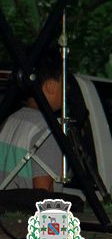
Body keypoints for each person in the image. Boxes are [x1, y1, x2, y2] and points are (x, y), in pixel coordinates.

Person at [0, 55, 64, 192]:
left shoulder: (10, 120)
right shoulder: (47, 130)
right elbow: (43, 193)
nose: (67, 90)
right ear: (51, 86)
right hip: (28, 213)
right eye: (64, 83)